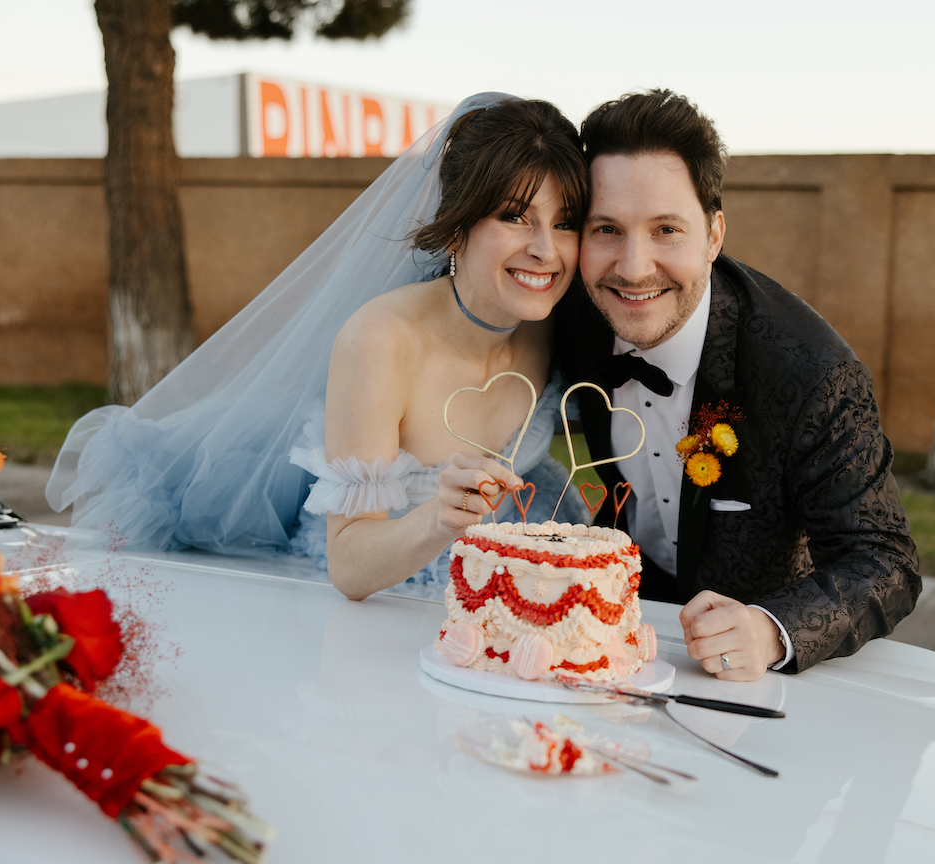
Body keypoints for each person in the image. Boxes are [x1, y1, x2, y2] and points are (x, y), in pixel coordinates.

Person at [47, 94, 587, 600]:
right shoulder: (382, 339)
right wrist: (441, 518)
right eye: (513, 216)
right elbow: (348, 564)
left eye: (564, 223)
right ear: (454, 227)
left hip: (511, 572)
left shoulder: (557, 318)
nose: (545, 250)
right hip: (387, 585)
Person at [556, 90, 920, 682]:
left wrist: (771, 630)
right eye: (607, 230)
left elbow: (884, 560)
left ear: (714, 235)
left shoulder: (812, 372)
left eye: (667, 229)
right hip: (613, 649)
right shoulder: (569, 315)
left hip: (748, 686)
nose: (633, 266)